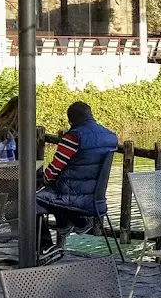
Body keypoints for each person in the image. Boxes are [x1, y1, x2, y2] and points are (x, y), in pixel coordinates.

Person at [36, 102, 118, 247]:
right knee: (52, 194)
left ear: (71, 121)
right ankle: (68, 222)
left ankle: (45, 246)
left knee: (31, 201)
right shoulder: (111, 137)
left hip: (73, 198)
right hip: (96, 198)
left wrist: (44, 179)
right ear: (90, 114)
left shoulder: (74, 137)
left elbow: (53, 171)